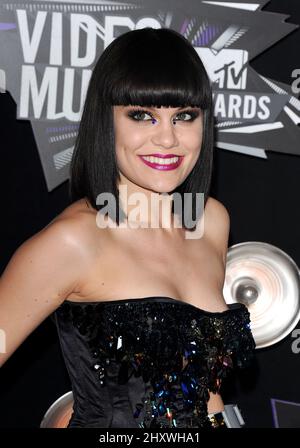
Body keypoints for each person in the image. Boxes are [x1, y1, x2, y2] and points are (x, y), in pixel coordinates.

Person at [0, 27, 256, 428]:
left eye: (184, 116)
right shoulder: (75, 241)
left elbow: (197, 383)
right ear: (107, 122)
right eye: (142, 116)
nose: (168, 139)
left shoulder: (210, 221)